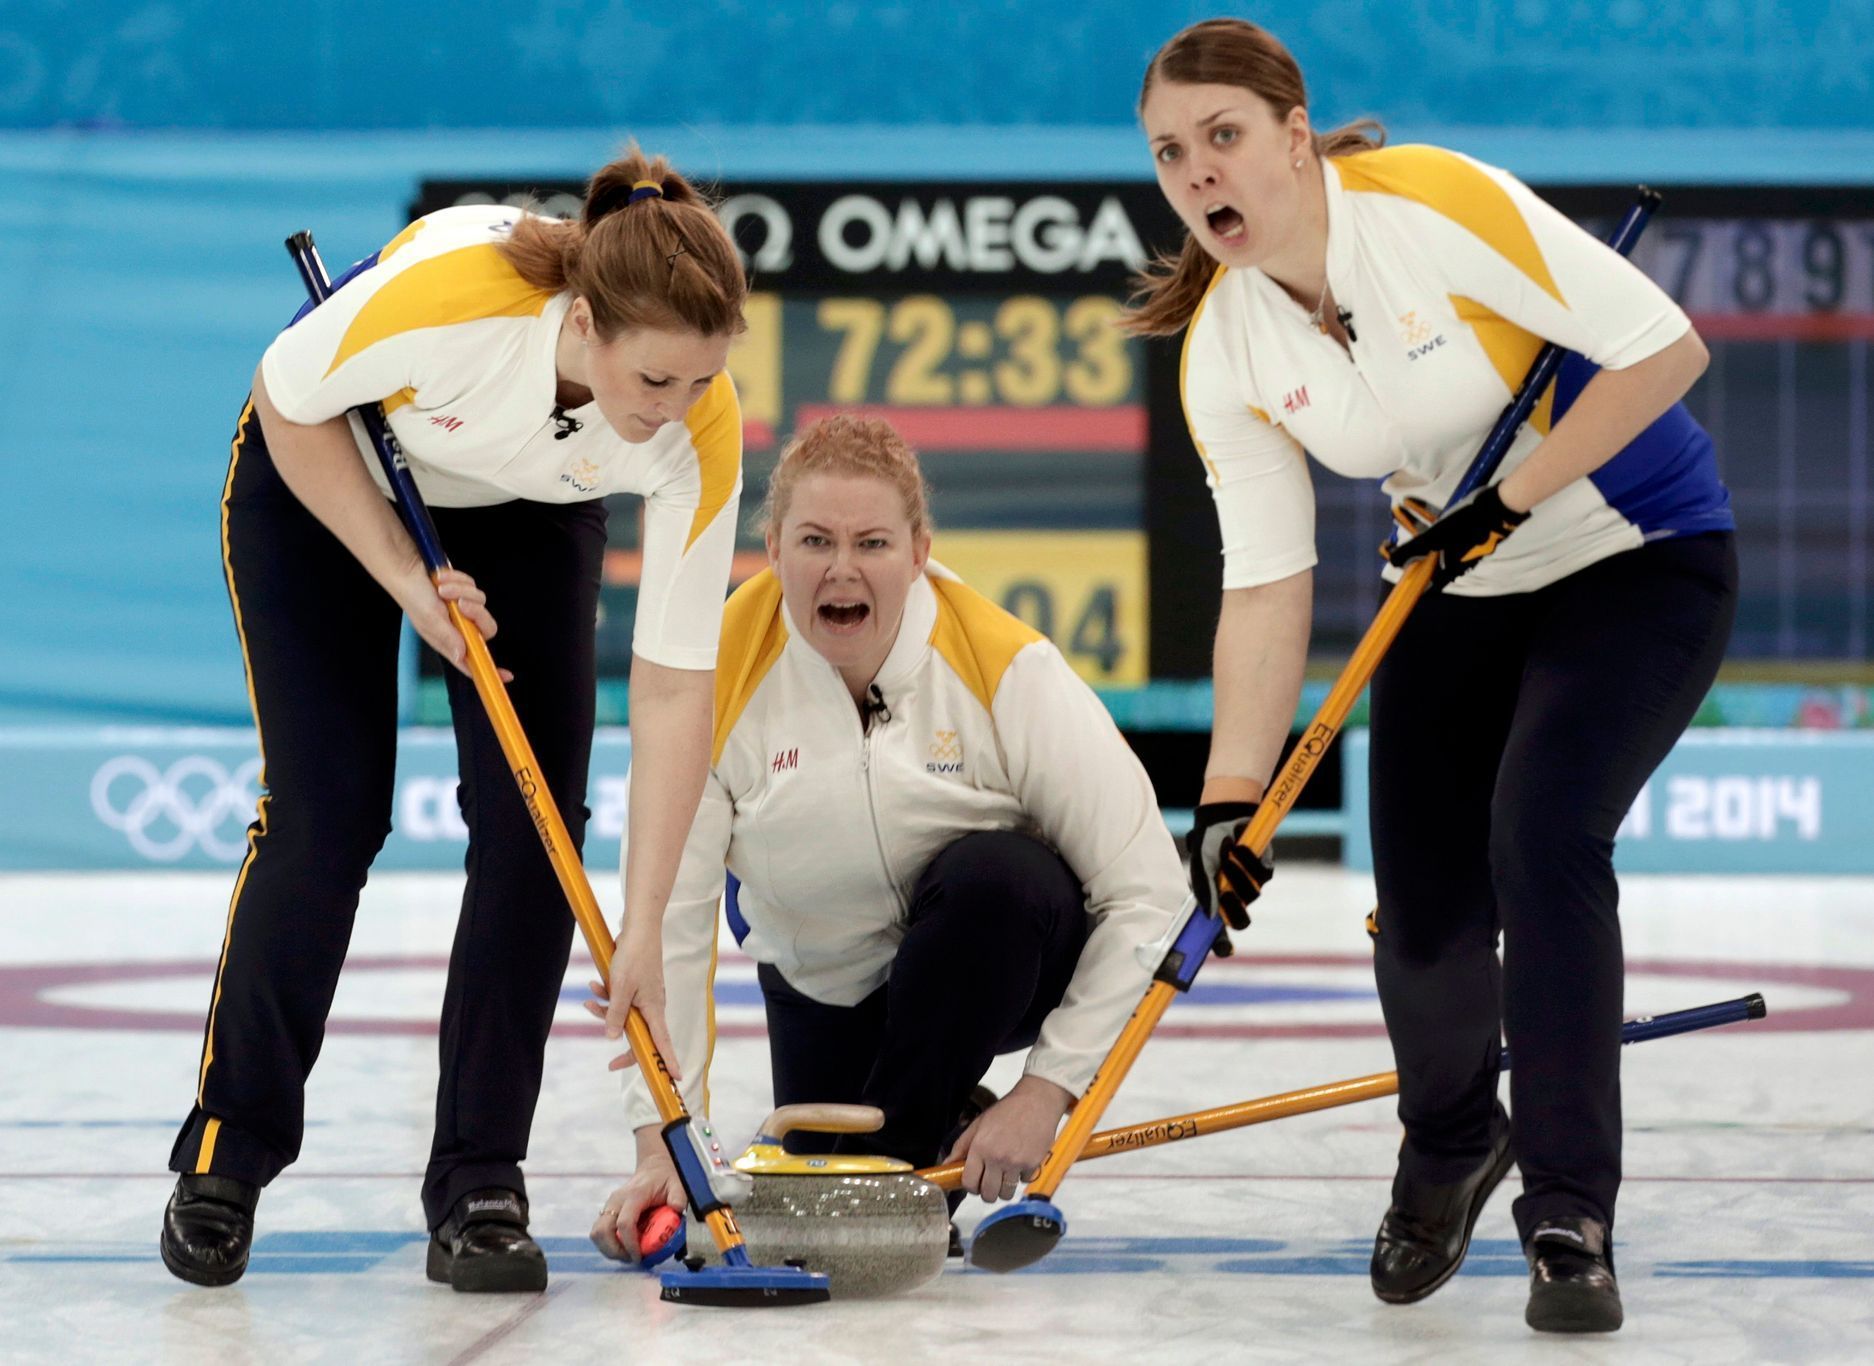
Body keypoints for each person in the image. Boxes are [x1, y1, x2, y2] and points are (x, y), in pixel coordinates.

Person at [1130, 19, 1737, 1335]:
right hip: (1460, 593)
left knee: (1541, 835)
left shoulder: (1433, 206)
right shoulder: (1225, 349)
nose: (1197, 173)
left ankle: (1569, 1211)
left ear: (1294, 136)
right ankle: (1454, 1140)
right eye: (1171, 153)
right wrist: (1229, 798)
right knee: (1416, 915)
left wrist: (1508, 496)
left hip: (1638, 560)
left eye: (1221, 136)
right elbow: (1263, 583)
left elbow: (1665, 349)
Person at [161, 147, 748, 1294]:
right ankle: (227, 1155)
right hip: (326, 473)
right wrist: (402, 578)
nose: (671, 416)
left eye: (696, 385)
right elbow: (291, 401)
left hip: (531, 511)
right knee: (327, 819)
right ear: (583, 324)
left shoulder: (695, 426)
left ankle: (480, 1182)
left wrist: (640, 931)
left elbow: (676, 685)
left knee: (535, 836)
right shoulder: (451, 305)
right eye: (653, 384)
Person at [585, 414, 1188, 1259]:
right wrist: (662, 1143)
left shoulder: (1007, 667)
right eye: (814, 541)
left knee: (998, 880)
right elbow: (672, 928)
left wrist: (1047, 1091)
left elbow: (1152, 895)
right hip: (825, 986)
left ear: (918, 551)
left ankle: (917, 1140)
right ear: (773, 546)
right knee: (823, 1183)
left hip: (995, 967)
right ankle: (936, 1125)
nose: (842, 568)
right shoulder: (714, 674)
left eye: (871, 543)